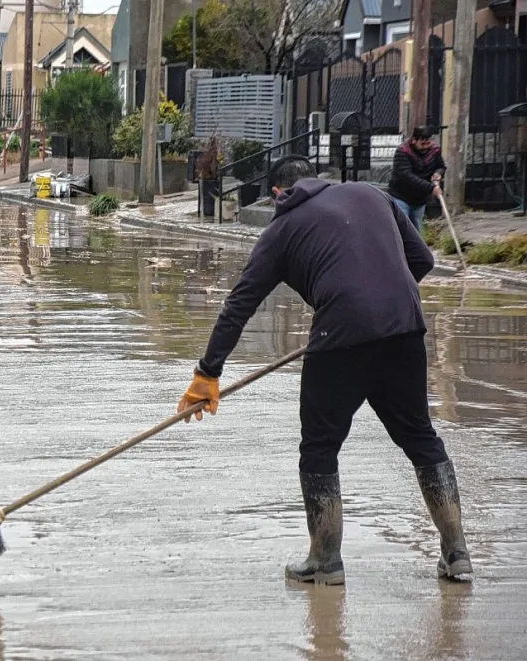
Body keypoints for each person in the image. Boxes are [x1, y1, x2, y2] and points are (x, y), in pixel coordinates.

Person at [178, 156, 472, 585]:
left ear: (279, 194)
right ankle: (457, 554)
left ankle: (325, 561)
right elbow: (422, 260)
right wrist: (379, 303)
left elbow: (239, 304)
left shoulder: (281, 230)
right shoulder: (374, 195)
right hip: (405, 327)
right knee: (421, 438)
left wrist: (208, 372)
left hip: (340, 338)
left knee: (319, 448)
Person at [388, 126, 446, 231]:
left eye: (428, 143)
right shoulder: (403, 151)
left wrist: (438, 173)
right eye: (422, 144)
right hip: (401, 196)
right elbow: (406, 176)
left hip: (420, 199)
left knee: (416, 230)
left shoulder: (434, 150)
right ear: (414, 140)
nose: (425, 147)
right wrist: (430, 188)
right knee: (402, 228)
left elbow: (441, 166)